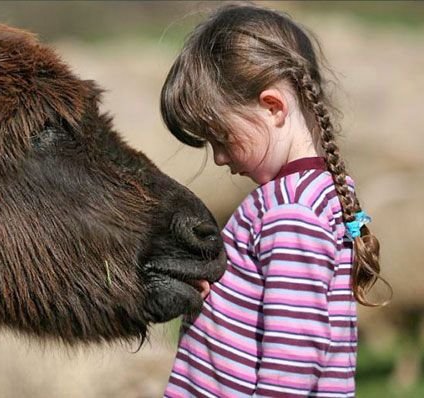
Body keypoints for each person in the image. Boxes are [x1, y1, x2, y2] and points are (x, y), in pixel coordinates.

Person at [161, 3, 390, 397]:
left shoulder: (290, 210)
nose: (219, 157)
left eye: (221, 136)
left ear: (272, 107)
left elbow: (295, 350)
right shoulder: (313, 194)